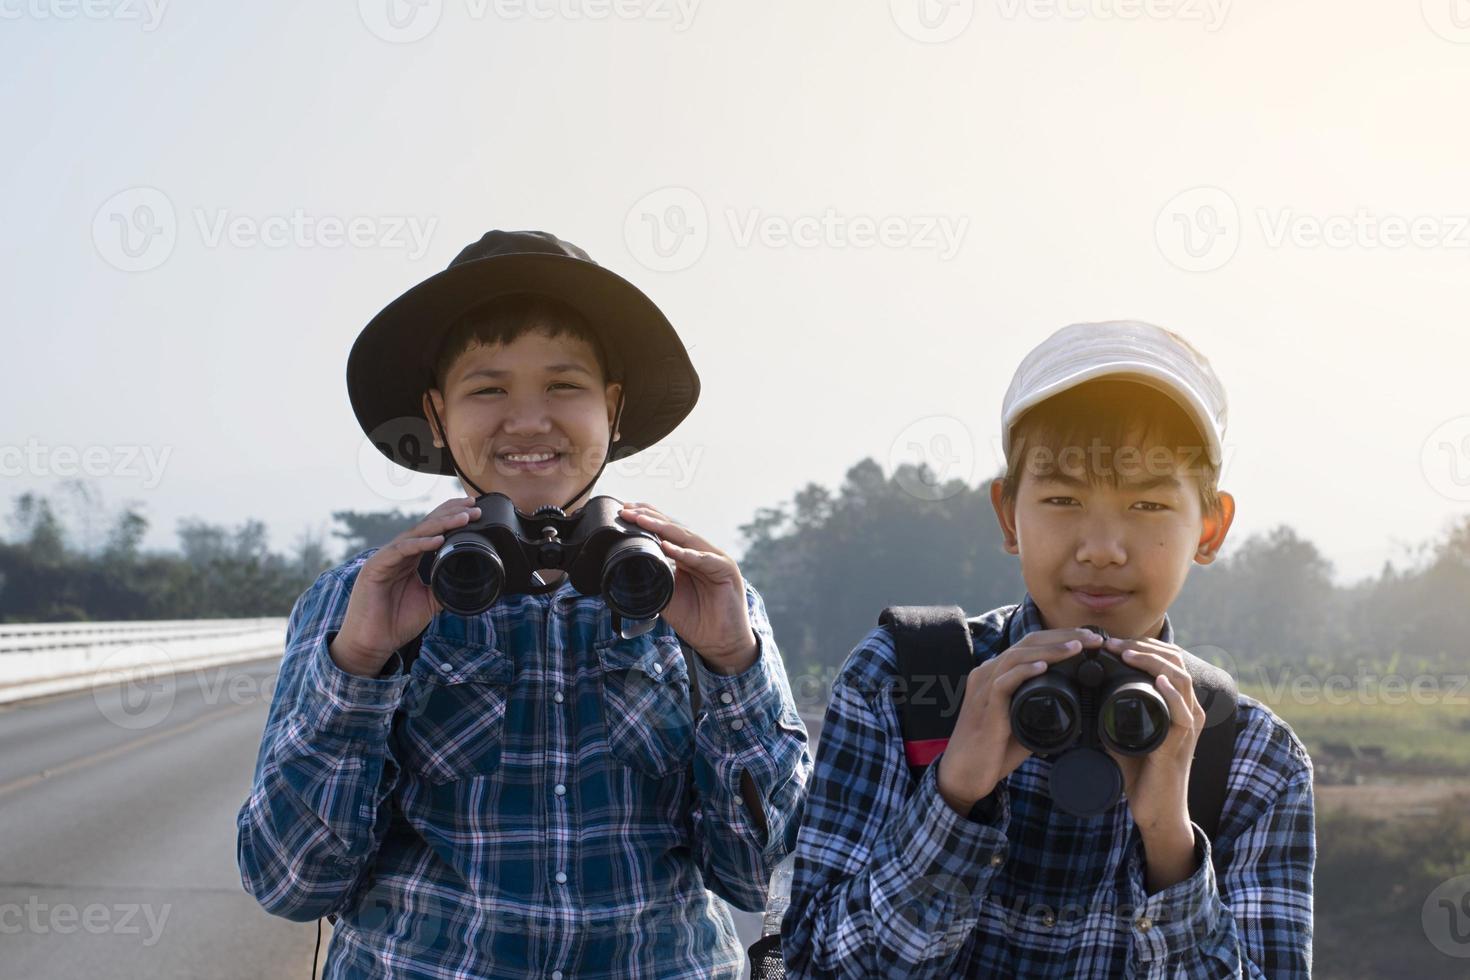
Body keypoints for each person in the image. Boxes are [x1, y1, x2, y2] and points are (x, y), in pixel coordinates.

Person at [236, 230, 811, 979]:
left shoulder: (693, 595)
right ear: (437, 415)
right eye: (489, 389)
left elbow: (763, 878)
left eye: (564, 386)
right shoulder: (361, 599)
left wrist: (734, 666)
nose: (530, 420)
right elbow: (291, 882)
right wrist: (358, 667)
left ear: (612, 407)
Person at [781, 321, 1314, 977]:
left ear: (1209, 527)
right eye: (1062, 498)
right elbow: (812, 964)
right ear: (1009, 515)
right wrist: (953, 794)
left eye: (1147, 504)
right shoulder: (903, 680)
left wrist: (1171, 846)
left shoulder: (1252, 758)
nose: (1100, 547)